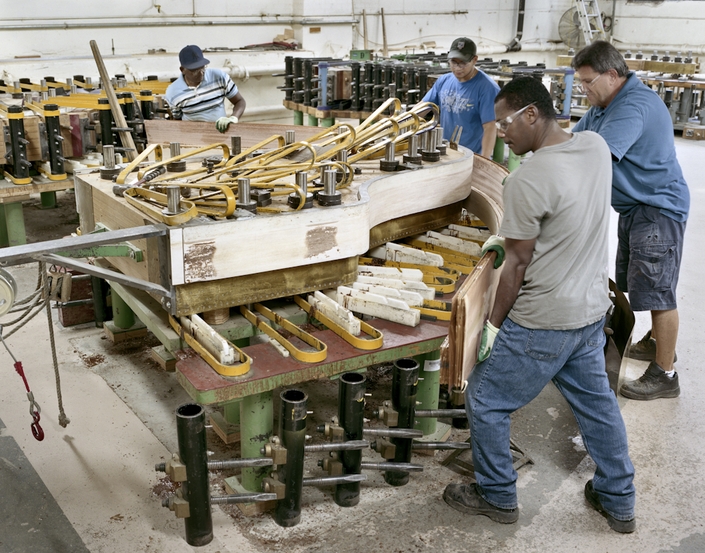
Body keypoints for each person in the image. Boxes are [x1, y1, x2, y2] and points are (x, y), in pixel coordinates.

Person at [442, 76, 636, 533]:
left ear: (531, 114)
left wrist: (492, 326)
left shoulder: (527, 179)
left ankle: (496, 494)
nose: (500, 131)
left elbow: (516, 265)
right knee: (598, 407)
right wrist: (509, 237)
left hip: (542, 322)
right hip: (590, 312)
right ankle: (619, 500)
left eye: (505, 122)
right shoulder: (594, 147)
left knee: (485, 399)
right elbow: (565, 218)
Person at [571, 41, 689, 400]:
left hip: (657, 209)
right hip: (636, 207)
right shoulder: (602, 106)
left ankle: (665, 374)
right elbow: (573, 142)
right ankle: (655, 344)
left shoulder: (633, 105)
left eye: (587, 81)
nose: (583, 89)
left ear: (612, 75)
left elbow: (596, 157)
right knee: (642, 284)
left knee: (659, 292)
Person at [422, 37, 499, 157]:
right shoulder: (444, 81)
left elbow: (490, 128)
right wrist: (400, 123)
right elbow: (422, 108)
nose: (457, 68)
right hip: (445, 153)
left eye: (463, 63)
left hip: (471, 157)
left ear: (474, 60)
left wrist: (484, 160)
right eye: (454, 62)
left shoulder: (487, 88)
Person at [164, 44, 246, 133]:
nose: (201, 73)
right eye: (194, 70)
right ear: (182, 69)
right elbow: (178, 121)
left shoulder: (219, 77)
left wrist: (233, 118)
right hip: (192, 136)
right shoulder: (173, 92)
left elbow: (239, 101)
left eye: (202, 67)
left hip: (220, 133)